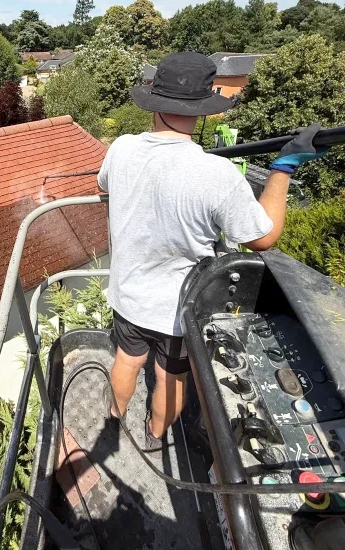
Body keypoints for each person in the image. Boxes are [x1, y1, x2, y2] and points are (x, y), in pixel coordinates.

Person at [97, 51, 326, 451]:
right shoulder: (216, 175)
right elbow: (263, 235)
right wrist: (284, 166)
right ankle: (154, 436)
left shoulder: (121, 148)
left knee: (126, 360)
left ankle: (114, 418)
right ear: (202, 109)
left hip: (127, 293)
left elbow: (104, 187)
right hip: (176, 309)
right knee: (169, 379)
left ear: (154, 99)